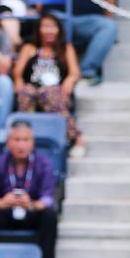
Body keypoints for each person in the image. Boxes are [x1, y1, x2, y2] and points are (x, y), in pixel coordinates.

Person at [0, 121, 58, 258]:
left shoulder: (44, 163)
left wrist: (31, 204)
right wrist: (2, 202)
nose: (21, 145)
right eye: (17, 140)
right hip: (5, 211)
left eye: (25, 140)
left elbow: (47, 199)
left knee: (50, 215)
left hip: (31, 212)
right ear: (8, 142)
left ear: (32, 142)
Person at [13, 12, 83, 153]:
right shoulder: (29, 49)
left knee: (47, 92)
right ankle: (25, 139)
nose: (49, 30)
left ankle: (75, 137)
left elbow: (75, 72)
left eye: (53, 27)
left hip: (56, 91)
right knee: (27, 91)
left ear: (59, 30)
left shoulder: (66, 48)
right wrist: (18, 81)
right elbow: (17, 72)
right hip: (33, 89)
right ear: (39, 29)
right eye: (45, 27)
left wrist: (70, 79)